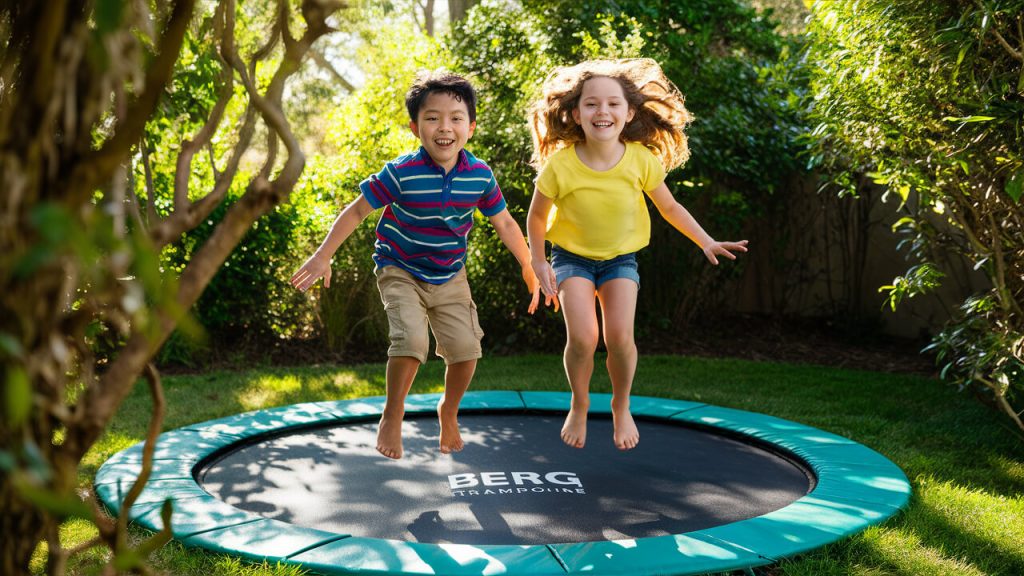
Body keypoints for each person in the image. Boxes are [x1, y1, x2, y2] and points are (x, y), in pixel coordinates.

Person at [291, 70, 542, 459]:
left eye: (456, 118)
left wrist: (528, 264)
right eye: (433, 118)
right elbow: (358, 211)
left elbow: (506, 222)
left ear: (471, 128)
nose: (445, 127)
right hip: (399, 267)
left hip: (449, 273)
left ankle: (449, 409)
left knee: (466, 350)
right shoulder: (401, 172)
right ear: (415, 127)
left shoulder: (479, 176)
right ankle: (393, 413)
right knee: (411, 341)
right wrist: (324, 254)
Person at [526, 58, 748, 451]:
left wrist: (705, 240)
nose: (602, 111)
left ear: (629, 113)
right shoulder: (561, 165)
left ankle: (620, 403)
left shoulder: (639, 160)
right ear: (576, 114)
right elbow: (537, 217)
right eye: (592, 104)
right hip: (571, 259)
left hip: (620, 261)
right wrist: (539, 261)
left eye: (613, 104)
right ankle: (579, 403)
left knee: (620, 339)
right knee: (583, 338)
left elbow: (671, 208)